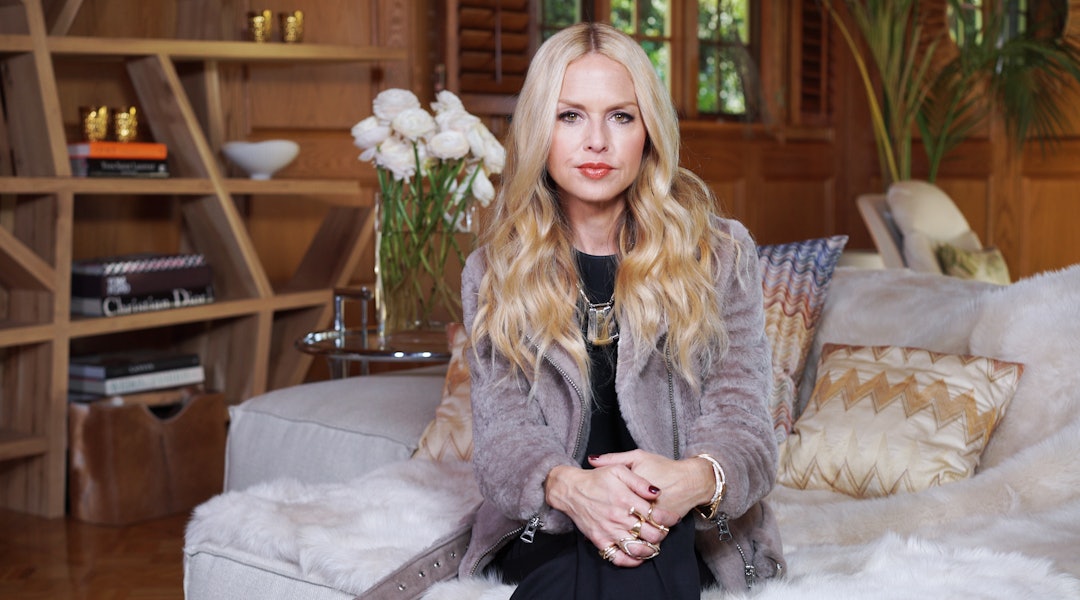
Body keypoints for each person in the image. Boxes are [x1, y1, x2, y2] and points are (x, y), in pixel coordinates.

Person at [456, 22, 785, 598]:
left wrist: (688, 482)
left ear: (649, 132)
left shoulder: (720, 255)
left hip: (683, 524)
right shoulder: (495, 271)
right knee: (601, 561)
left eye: (621, 117)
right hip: (550, 522)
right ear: (539, 130)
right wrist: (572, 489)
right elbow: (502, 437)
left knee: (642, 550)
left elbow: (745, 422)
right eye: (570, 115)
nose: (597, 142)